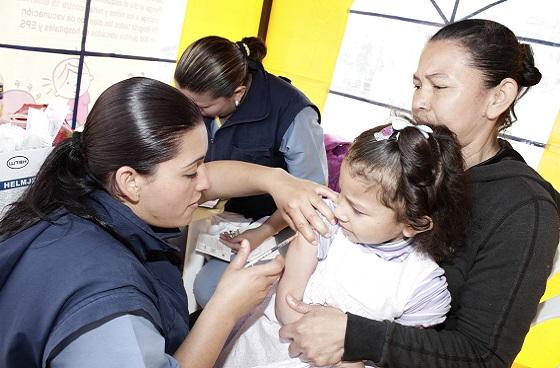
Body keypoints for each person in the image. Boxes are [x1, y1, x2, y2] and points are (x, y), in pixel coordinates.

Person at [277, 19, 560, 367]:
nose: (420, 103)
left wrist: (356, 337)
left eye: (439, 87)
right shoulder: (412, 162)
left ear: (498, 97)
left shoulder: (523, 209)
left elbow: (484, 356)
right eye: (417, 85)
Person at [0, 77, 336, 368]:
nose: (204, 183)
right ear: (130, 181)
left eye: (204, 162)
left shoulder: (83, 193)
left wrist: (276, 179)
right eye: (191, 171)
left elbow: (213, 178)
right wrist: (224, 309)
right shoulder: (109, 297)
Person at [215, 117, 470, 368]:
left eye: (358, 210)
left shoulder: (423, 288)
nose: (340, 212)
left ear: (413, 224)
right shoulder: (323, 225)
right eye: (342, 195)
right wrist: (341, 356)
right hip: (269, 347)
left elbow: (401, 353)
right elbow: (287, 300)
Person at [174, 36, 328, 307]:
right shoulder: (204, 100)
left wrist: (264, 231)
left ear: (238, 93)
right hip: (215, 210)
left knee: (211, 290)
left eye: (201, 107)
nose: (191, 112)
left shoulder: (294, 114)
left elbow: (310, 196)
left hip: (275, 221)